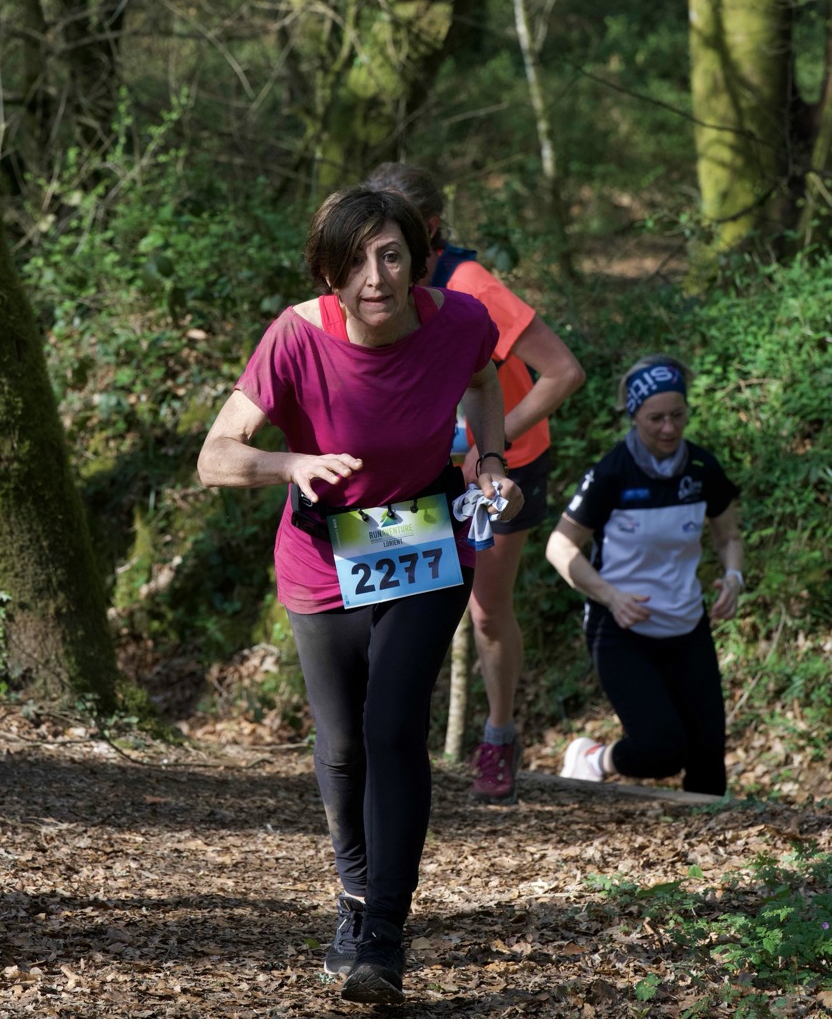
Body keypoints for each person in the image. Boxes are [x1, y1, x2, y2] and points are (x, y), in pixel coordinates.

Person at [197, 187, 523, 1006]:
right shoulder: (295, 337)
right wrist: (290, 464)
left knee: (392, 726)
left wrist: (488, 460)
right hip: (321, 555)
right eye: (354, 261)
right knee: (343, 745)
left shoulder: (458, 320)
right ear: (328, 273)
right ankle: (352, 893)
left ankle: (382, 934)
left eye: (390, 256)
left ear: (417, 260)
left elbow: (483, 383)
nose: (374, 277)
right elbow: (215, 456)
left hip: (419, 540)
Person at [366, 163, 585, 805]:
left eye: (398, 231)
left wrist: (490, 445)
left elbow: (563, 372)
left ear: (430, 227)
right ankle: (385, 743)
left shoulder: (472, 285)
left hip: (503, 460)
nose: (381, 248)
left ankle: (499, 737)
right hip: (421, 464)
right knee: (391, 595)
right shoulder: (375, 286)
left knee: (486, 610)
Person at [545, 354, 744, 797]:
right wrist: (610, 596)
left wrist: (733, 577)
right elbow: (559, 546)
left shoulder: (701, 469)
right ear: (634, 416)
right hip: (621, 629)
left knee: (708, 759)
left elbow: (728, 535)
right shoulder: (611, 473)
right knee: (661, 750)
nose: (669, 428)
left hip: (687, 625)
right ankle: (593, 757)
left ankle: (709, 841)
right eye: (656, 418)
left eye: (678, 415)